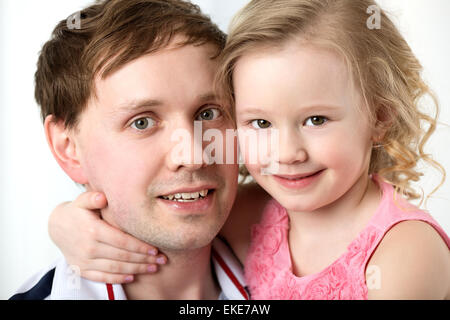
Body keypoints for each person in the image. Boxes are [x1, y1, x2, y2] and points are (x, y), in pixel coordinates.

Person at [48, 0, 450, 299]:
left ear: (380, 117)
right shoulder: (257, 215)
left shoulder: (403, 254)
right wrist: (65, 224)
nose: (287, 152)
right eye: (261, 123)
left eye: (316, 120)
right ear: (67, 148)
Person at [10, 0, 249, 300]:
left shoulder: (291, 267)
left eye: (208, 114)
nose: (193, 155)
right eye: (142, 122)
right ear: (68, 148)